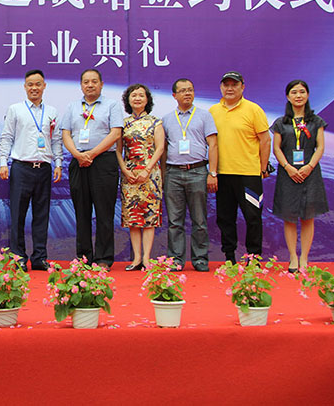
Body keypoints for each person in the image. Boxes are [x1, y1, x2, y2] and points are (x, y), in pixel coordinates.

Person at [0, 70, 63, 271]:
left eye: (38, 84)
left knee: (42, 214)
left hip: (43, 168)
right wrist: (3, 162)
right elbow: (7, 136)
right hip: (21, 168)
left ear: (44, 86)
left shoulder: (51, 111)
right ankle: (18, 257)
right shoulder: (15, 109)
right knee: (17, 215)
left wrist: (58, 163)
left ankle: (39, 257)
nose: (34, 88)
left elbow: (56, 139)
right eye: (30, 84)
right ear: (25, 87)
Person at [61, 69, 123, 270]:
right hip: (79, 161)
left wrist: (92, 154)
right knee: (82, 212)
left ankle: (104, 258)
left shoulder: (112, 105)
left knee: (104, 212)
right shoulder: (72, 107)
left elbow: (115, 134)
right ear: (81, 85)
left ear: (101, 84)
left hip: (103, 161)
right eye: (86, 82)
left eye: (94, 81)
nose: (90, 85)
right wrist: (78, 155)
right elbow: (66, 134)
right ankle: (83, 257)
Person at [209, 72, 271, 263]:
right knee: (225, 218)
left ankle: (254, 258)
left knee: (252, 217)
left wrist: (262, 168)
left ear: (242, 87)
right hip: (223, 174)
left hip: (248, 174)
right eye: (226, 85)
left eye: (234, 85)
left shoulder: (253, 109)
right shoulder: (213, 111)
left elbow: (265, 140)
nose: (230, 88)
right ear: (221, 87)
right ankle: (229, 258)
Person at [271, 79, 328, 273]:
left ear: (308, 95)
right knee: (289, 216)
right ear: (288, 96)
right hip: (288, 174)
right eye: (294, 92)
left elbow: (320, 147)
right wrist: (288, 167)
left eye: (302, 92)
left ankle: (304, 257)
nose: (298, 95)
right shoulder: (281, 122)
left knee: (308, 216)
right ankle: (293, 257)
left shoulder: (316, 121)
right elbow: (276, 149)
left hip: (310, 173)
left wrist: (309, 166)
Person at [161, 79, 218, 272]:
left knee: (199, 220)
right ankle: (176, 260)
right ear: (174, 95)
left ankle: (200, 259)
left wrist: (212, 172)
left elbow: (213, 145)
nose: (187, 93)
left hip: (197, 171)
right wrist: (163, 174)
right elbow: (163, 149)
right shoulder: (167, 119)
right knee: (174, 221)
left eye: (190, 90)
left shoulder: (204, 116)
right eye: (183, 90)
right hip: (173, 173)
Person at [116, 84, 164, 271]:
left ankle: (146, 259)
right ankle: (136, 259)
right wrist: (125, 170)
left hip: (150, 175)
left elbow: (160, 148)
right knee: (133, 218)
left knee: (149, 217)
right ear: (128, 100)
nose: (137, 98)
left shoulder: (155, 122)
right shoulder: (123, 123)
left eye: (141, 95)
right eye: (133, 95)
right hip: (130, 176)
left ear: (147, 99)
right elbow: (118, 150)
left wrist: (147, 170)